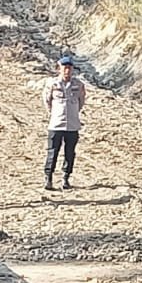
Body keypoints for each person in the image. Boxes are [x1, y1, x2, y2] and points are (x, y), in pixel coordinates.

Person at [42, 52, 86, 190]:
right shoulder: (52, 84)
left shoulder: (78, 85)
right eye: (64, 67)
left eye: (69, 68)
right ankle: (48, 178)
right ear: (59, 68)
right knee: (52, 152)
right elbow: (47, 101)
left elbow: (81, 101)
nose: (67, 70)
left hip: (72, 125)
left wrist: (73, 112)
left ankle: (66, 178)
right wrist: (55, 113)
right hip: (56, 124)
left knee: (70, 153)